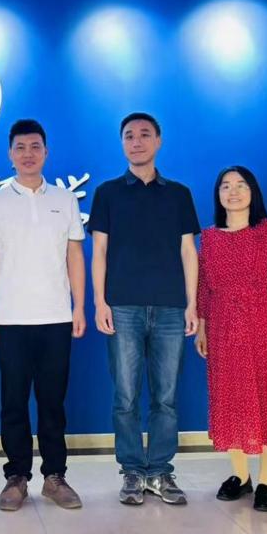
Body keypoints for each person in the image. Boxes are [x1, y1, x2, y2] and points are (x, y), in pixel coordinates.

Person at [89, 112, 200, 506]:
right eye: (129, 136)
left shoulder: (179, 194)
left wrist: (192, 304)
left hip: (171, 307)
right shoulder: (107, 193)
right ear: (122, 143)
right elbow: (99, 251)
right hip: (122, 307)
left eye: (144, 135)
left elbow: (188, 251)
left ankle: (161, 471)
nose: (136, 142)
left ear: (158, 141)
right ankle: (133, 470)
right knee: (125, 396)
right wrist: (100, 301)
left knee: (165, 397)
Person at [0, 119, 87, 512]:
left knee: (53, 401)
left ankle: (55, 476)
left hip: (55, 316)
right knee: (13, 401)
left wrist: (78, 306)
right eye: (20, 147)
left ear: (46, 152)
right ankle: (17, 477)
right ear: (10, 154)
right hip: (10, 319)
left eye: (35, 146)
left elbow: (75, 255)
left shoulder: (65, 200)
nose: (28, 154)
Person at [194, 166, 267, 512]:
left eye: (241, 185)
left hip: (265, 327)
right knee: (230, 400)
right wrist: (202, 327)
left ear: (253, 192)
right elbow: (204, 288)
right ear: (218, 195)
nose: (233, 192)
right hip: (223, 330)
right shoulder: (208, 237)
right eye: (225, 186)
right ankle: (240, 476)